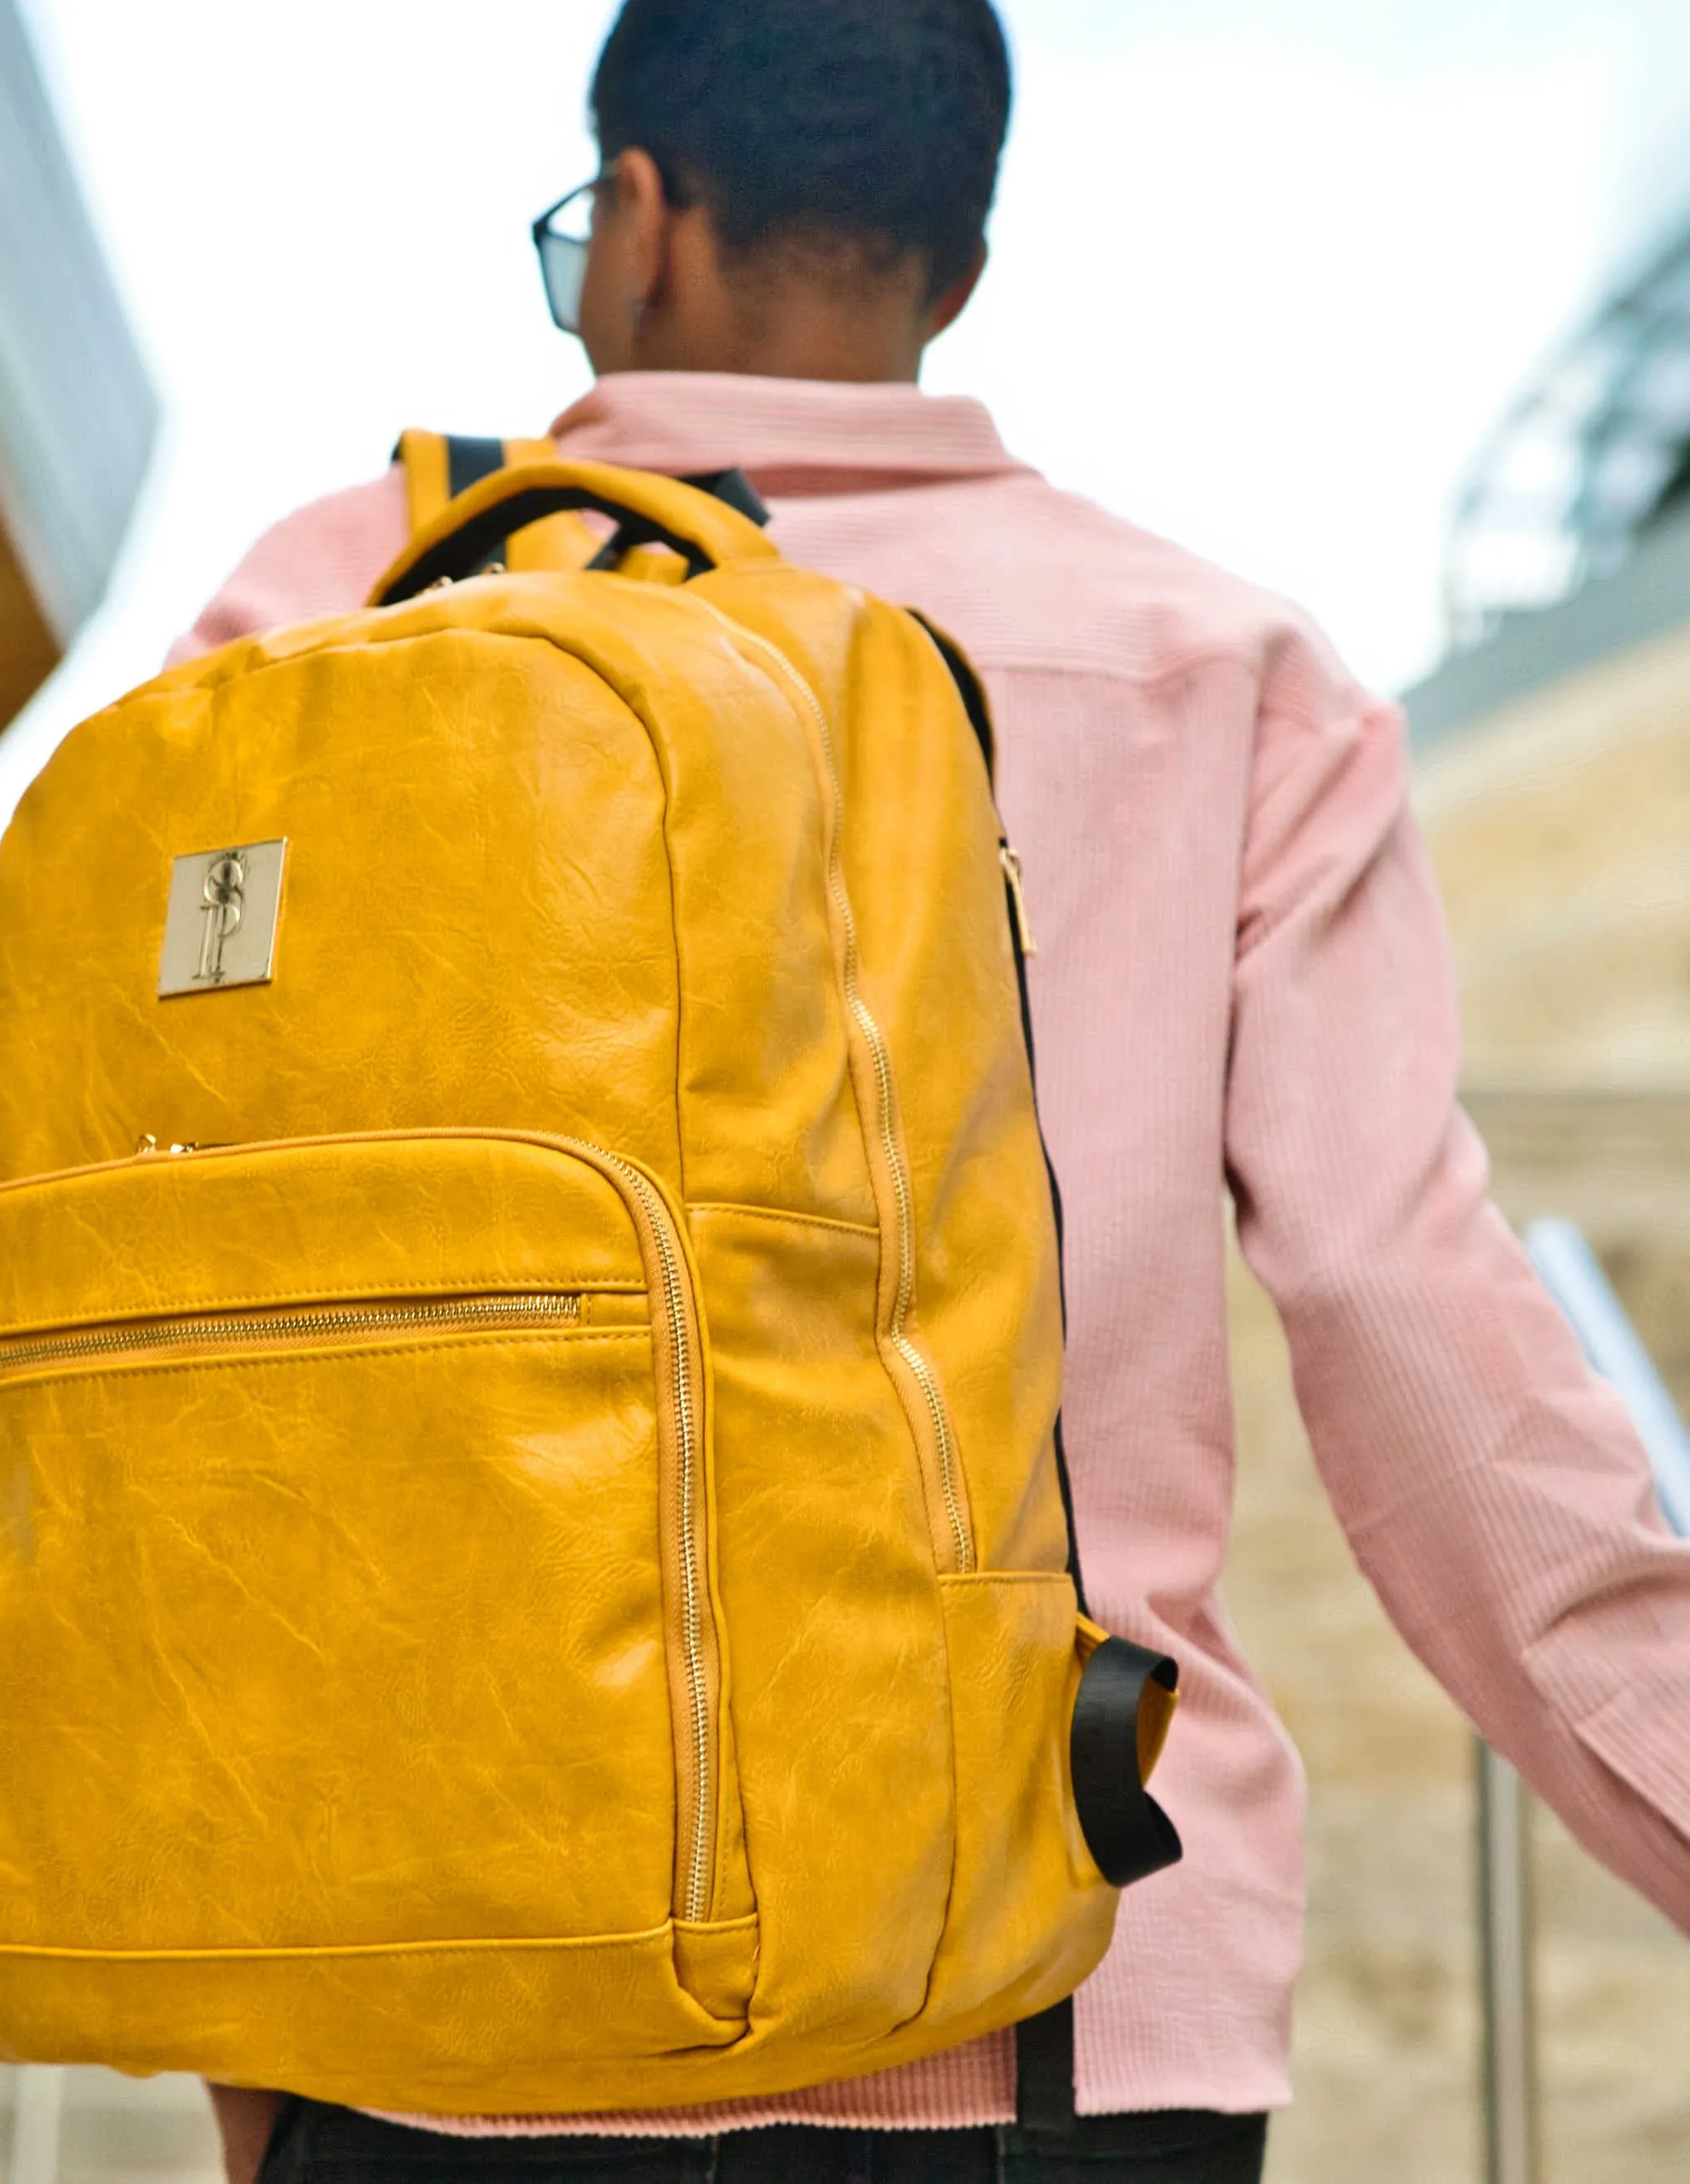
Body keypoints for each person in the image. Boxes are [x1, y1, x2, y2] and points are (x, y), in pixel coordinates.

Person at [176, 3, 1690, 2177]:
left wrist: (254, 2005)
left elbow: (199, 1346)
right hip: (1058, 2006)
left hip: (455, 1972)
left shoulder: (332, 612)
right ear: (952, 271)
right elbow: (1408, 1317)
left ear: (630, 215)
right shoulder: (1219, 672)